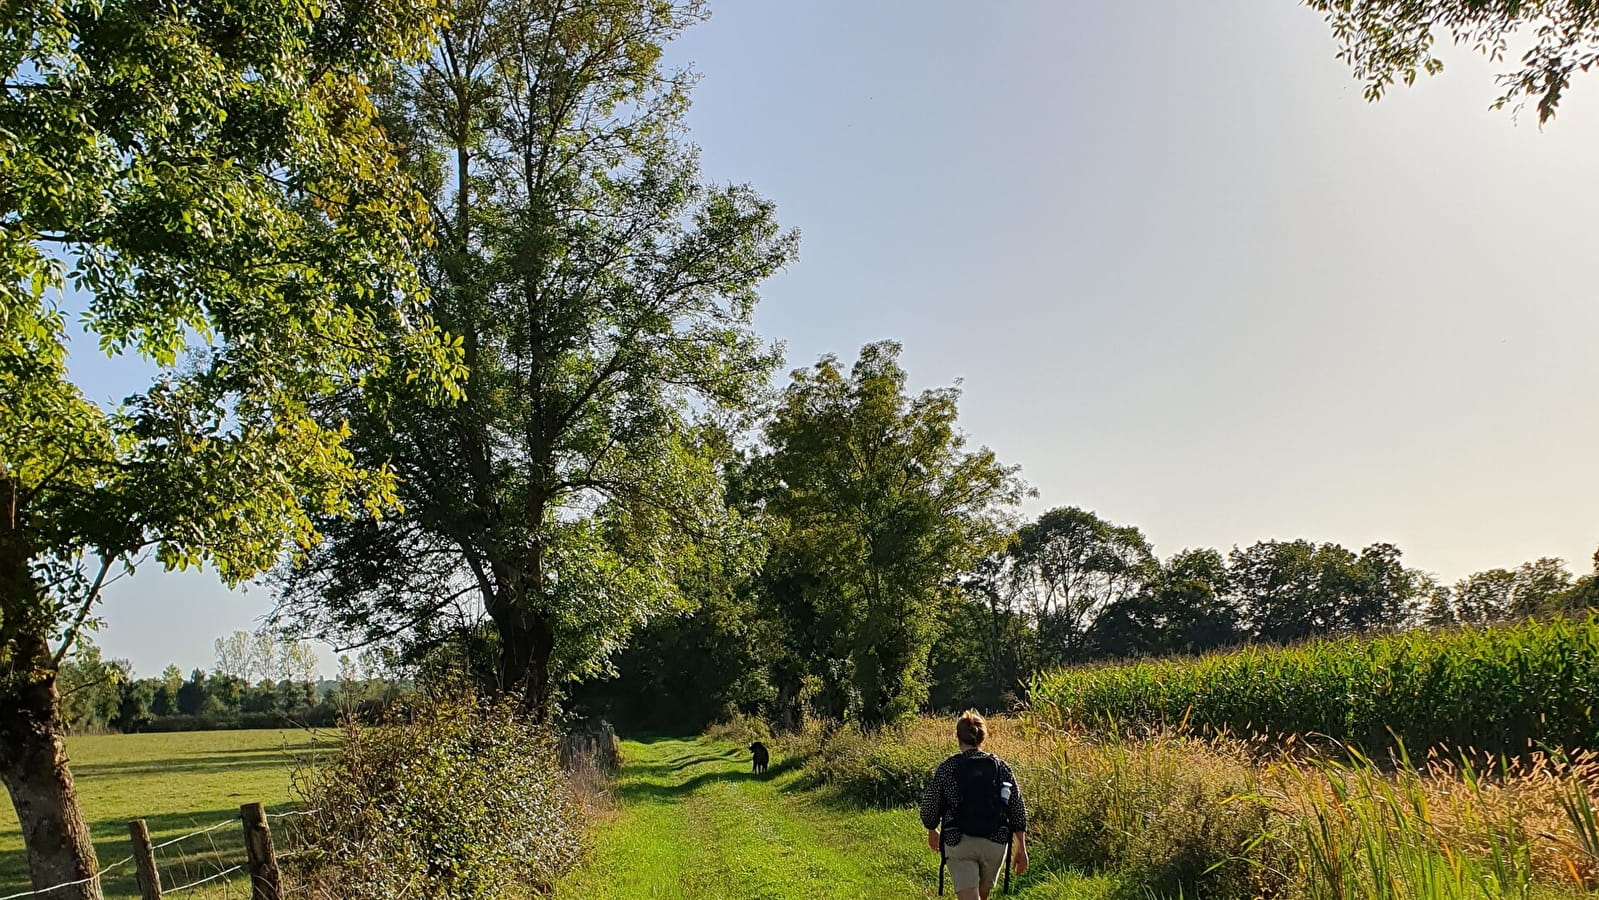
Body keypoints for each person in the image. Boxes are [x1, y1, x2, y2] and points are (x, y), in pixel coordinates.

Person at [919, 710, 1029, 899]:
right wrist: (1022, 849)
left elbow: (930, 804)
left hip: (959, 841)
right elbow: (1016, 808)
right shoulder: (1001, 767)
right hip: (995, 842)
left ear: (958, 737)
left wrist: (931, 829)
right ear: (982, 737)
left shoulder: (948, 767)